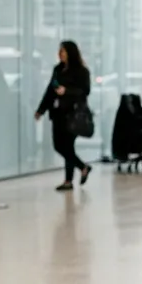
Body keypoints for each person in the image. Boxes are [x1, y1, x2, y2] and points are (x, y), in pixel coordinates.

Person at [34, 40, 92, 191]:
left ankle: (68, 180)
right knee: (59, 146)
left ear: (70, 53)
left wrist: (67, 91)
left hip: (73, 114)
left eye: (63, 51)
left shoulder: (82, 71)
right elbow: (50, 90)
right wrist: (41, 109)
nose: (60, 54)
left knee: (67, 146)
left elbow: (84, 91)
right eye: (59, 51)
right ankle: (82, 167)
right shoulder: (57, 70)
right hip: (57, 113)